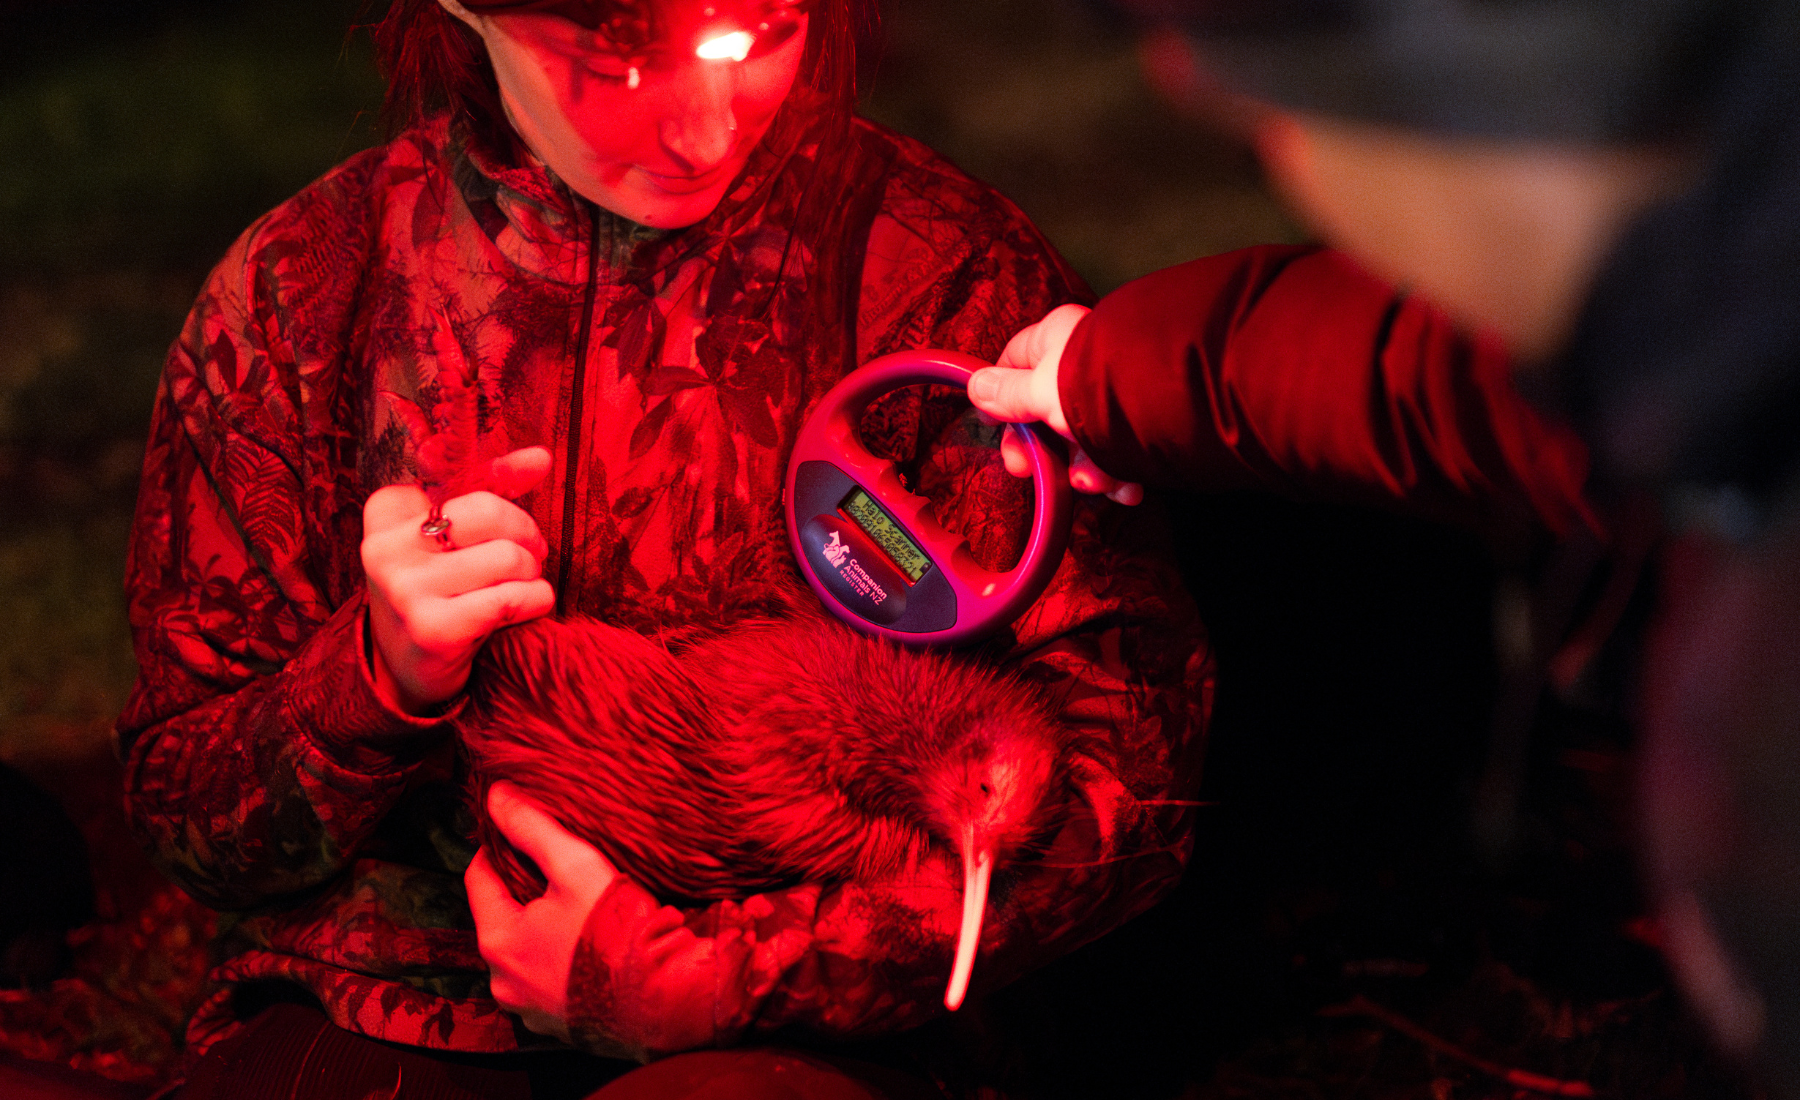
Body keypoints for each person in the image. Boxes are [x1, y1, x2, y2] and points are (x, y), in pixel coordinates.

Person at [116, 0, 1210, 1096]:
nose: (707, 130)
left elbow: (1131, 777)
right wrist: (369, 681)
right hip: (393, 1001)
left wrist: (718, 975)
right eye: (622, 59)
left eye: (764, 31)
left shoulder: (936, 274)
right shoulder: (305, 291)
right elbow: (186, 813)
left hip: (814, 1039)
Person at [967, 0, 1800, 1094]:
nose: (1195, 94)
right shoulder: (1699, 293)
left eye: (1279, 121)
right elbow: (1453, 371)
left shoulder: (1766, 714)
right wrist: (1124, 370)